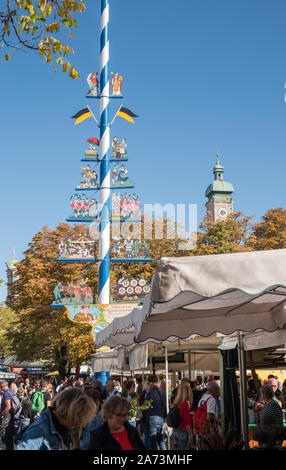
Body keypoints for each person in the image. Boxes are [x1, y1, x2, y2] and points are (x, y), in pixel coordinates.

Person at [16, 387, 96, 450]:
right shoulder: (39, 430)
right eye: (78, 418)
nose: (78, 423)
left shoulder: (63, 428)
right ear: (69, 413)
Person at [145, 374, 166, 451]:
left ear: (151, 383)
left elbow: (145, 406)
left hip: (152, 418)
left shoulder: (150, 393)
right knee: (161, 442)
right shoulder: (163, 392)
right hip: (161, 419)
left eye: (148, 383)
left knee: (153, 443)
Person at [172, 380, 193, 450]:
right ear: (188, 391)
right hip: (183, 431)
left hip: (175, 430)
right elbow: (187, 421)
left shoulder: (176, 402)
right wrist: (190, 434)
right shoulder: (186, 403)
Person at [0, 380, 15, 449]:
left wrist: (2, 413)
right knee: (9, 433)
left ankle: (8, 447)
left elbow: (8, 407)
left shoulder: (6, 393)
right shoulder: (11, 391)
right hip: (11, 415)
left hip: (7, 415)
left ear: (2, 386)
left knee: (5, 433)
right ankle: (10, 447)